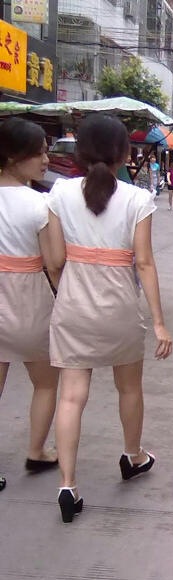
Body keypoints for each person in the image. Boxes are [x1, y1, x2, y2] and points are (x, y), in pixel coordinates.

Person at [46, 114, 173, 523]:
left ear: (80, 151)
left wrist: (66, 290)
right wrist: (159, 322)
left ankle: (68, 485)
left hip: (73, 306)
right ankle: (132, 456)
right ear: (124, 153)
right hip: (120, 310)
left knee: (71, 396)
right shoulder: (138, 199)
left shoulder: (60, 193)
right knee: (129, 388)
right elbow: (145, 263)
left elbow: (54, 260)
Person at [0, 117, 61, 490]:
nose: (46, 160)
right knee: (46, 382)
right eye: (39, 153)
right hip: (28, 299)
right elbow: (53, 262)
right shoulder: (41, 203)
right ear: (13, 156)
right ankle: (37, 451)